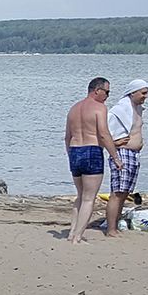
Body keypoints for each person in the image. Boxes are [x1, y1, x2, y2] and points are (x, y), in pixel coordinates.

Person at [63, 77, 120, 243]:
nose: (108, 96)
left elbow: (67, 137)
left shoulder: (74, 108)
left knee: (80, 196)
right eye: (107, 92)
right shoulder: (99, 107)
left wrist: (70, 155)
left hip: (75, 150)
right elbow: (103, 134)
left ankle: (71, 233)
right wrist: (115, 156)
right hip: (91, 150)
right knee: (89, 198)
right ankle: (77, 237)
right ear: (97, 90)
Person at [106, 79, 148, 234]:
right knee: (117, 192)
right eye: (143, 93)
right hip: (122, 153)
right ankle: (111, 229)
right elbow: (104, 132)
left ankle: (115, 225)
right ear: (132, 93)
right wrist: (114, 143)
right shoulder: (119, 110)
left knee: (125, 193)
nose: (146, 96)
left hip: (134, 154)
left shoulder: (137, 109)